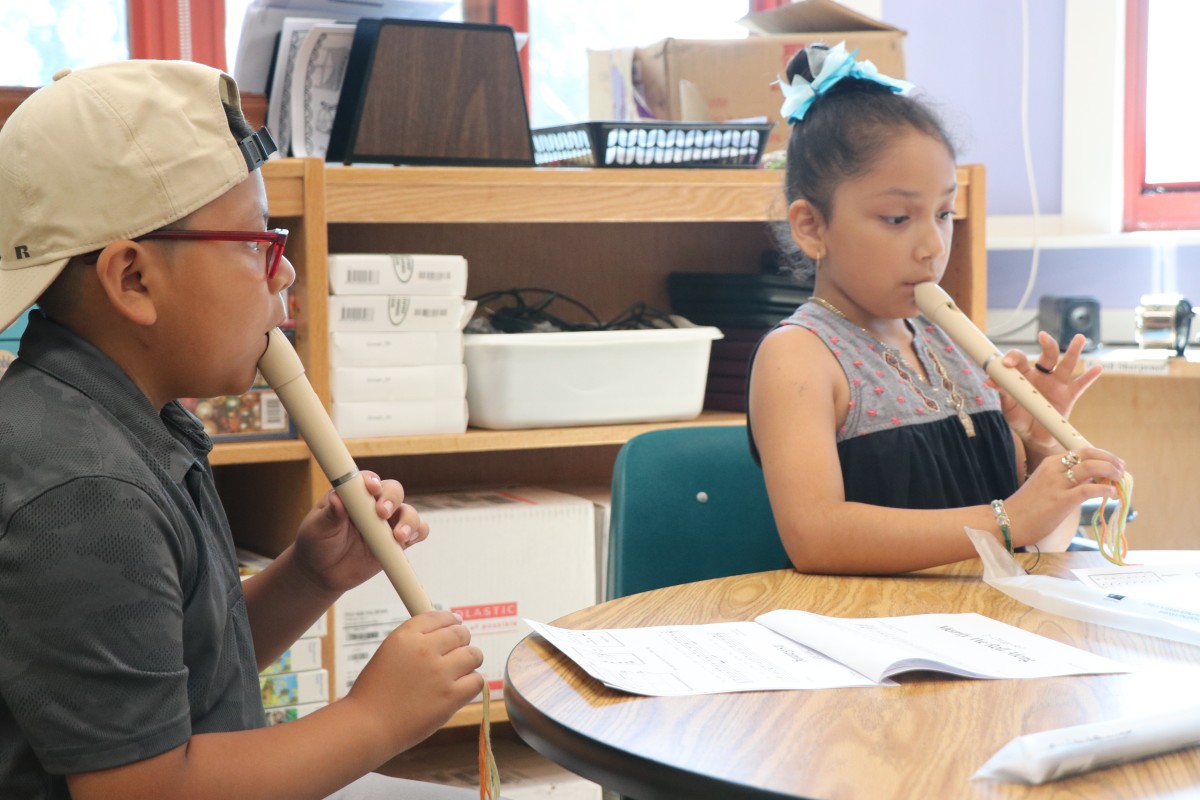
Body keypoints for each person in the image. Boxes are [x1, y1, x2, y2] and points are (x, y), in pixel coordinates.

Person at [0, 60, 489, 800]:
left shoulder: (128, 423)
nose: (284, 274)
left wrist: (306, 577)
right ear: (132, 280)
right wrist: (374, 720)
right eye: (257, 244)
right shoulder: (85, 493)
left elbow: (181, 670)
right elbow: (143, 789)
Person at [747, 43, 1126, 575]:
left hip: (985, 630)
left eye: (945, 212)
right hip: (869, 635)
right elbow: (816, 536)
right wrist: (1010, 518)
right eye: (899, 218)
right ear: (812, 227)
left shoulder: (954, 344)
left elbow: (1043, 547)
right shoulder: (798, 357)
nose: (932, 245)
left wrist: (1043, 441)